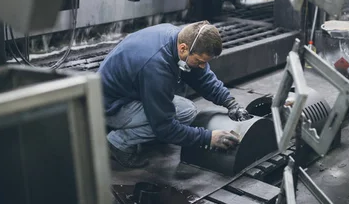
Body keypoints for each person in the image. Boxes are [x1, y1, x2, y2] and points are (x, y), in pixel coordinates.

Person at [98, 21, 251, 168]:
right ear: (183, 48)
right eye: (199, 61)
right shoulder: (156, 67)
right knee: (181, 116)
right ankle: (118, 143)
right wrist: (209, 138)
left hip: (129, 92)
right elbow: (164, 127)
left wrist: (230, 103)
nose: (202, 66)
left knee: (187, 109)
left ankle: (137, 132)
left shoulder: (179, 38)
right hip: (109, 108)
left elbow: (202, 77)